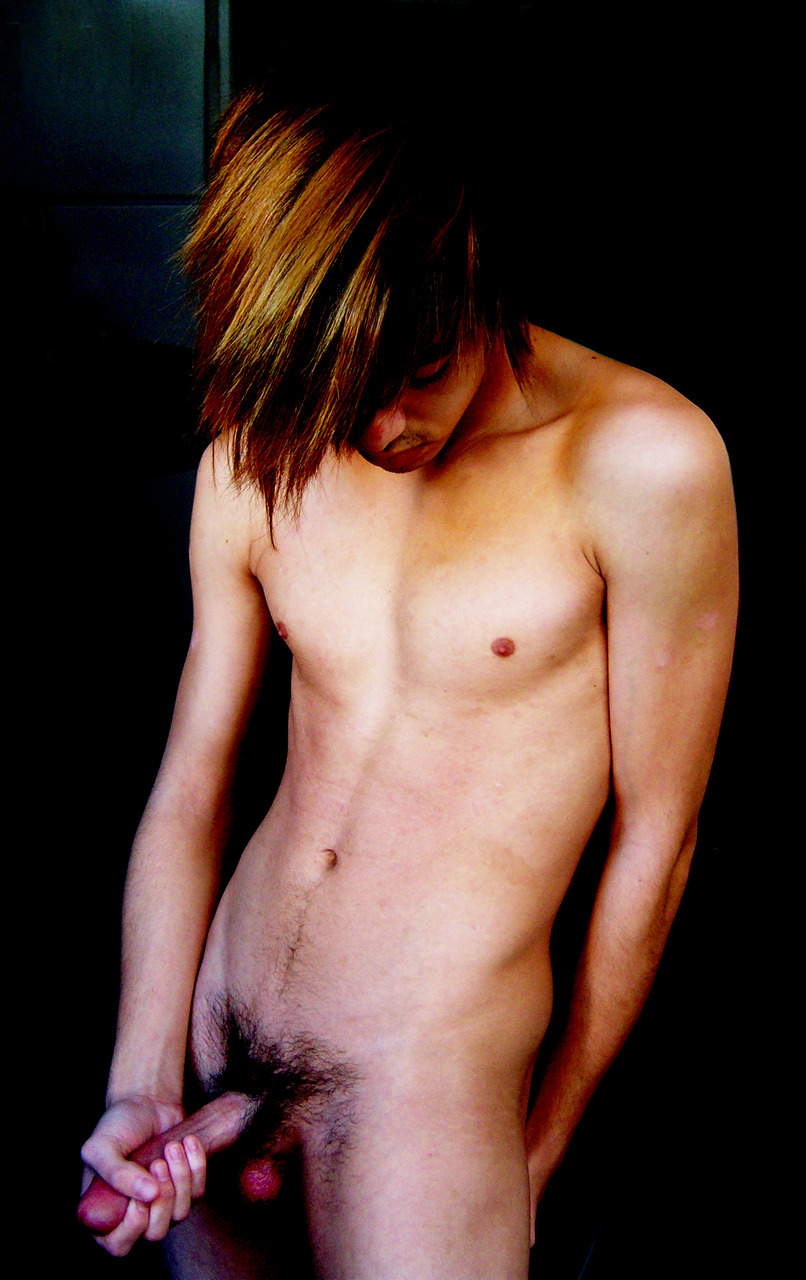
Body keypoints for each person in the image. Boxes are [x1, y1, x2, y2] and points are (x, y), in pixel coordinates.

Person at [78, 79, 738, 1280]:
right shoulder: (266, 442)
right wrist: (140, 1079)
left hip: (419, 1088)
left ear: (479, 281)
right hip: (217, 1037)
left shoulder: (641, 461)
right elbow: (191, 782)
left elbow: (658, 844)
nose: (384, 428)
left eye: (421, 371)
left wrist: (538, 1150)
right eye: (347, 398)